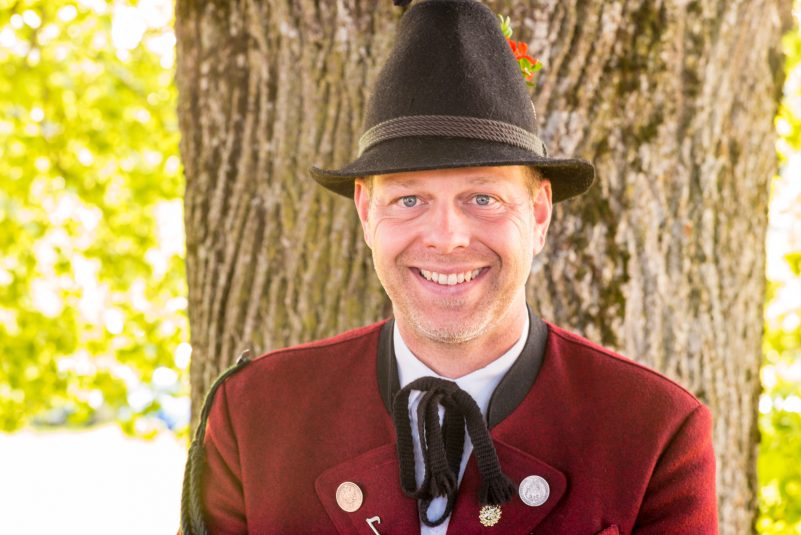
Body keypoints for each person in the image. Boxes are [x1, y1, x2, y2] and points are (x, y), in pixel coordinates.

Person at [180, 0, 718, 533]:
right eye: (409, 199)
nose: (445, 237)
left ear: (538, 214)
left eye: (483, 198)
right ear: (366, 212)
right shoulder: (255, 414)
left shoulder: (653, 431)